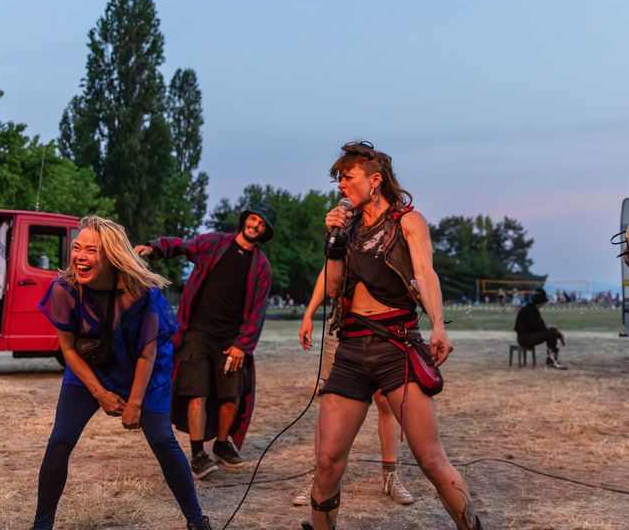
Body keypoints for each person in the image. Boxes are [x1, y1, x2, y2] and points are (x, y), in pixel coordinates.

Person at [307, 141, 482, 530]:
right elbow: (335, 289)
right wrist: (333, 242)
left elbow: (425, 273)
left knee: (431, 459)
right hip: (351, 349)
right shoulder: (346, 228)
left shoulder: (408, 221)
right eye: (338, 179)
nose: (340, 185)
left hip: (396, 346)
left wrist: (438, 323)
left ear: (375, 179)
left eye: (346, 177)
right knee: (327, 460)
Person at [33, 216, 211, 530]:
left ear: (111, 256)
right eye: (77, 248)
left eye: (91, 250)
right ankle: (41, 525)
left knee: (162, 440)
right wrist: (100, 393)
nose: (80, 257)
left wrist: (135, 404)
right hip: (92, 367)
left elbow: (147, 352)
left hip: (143, 369)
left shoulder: (140, 292)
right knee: (60, 440)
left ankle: (197, 521)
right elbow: (69, 350)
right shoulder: (64, 289)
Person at [135, 204, 275, 479]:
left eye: (262, 224)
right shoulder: (214, 243)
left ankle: (222, 444)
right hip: (197, 332)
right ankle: (198, 453)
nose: (255, 225)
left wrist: (242, 345)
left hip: (231, 340)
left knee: (231, 396)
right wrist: (154, 247)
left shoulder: (262, 267)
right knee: (196, 393)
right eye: (253, 219)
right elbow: (181, 245)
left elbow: (258, 311)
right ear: (245, 219)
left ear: (265, 232)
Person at [293, 270, 415, 507]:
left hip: (386, 326)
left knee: (385, 401)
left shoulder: (396, 234)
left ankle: (390, 475)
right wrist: (308, 314)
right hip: (344, 324)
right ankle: (320, 476)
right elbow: (326, 273)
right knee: (330, 401)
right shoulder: (345, 232)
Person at [513, 288, 567, 369]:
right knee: (552, 332)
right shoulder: (532, 310)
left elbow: (538, 327)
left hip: (522, 337)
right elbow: (541, 328)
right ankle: (551, 360)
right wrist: (555, 330)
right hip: (525, 339)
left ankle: (551, 359)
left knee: (552, 331)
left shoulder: (528, 308)